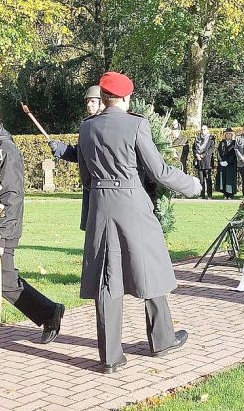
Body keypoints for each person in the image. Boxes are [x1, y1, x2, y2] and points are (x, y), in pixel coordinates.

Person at [76, 71, 202, 373]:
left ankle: (110, 357)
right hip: (132, 204)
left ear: (104, 97)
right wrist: (192, 185)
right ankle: (162, 339)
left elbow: (84, 176)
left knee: (106, 278)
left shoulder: (86, 128)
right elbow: (158, 171)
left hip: (100, 207)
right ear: (126, 97)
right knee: (150, 267)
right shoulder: (136, 124)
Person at [0, 98, 65, 344]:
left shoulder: (5, 149)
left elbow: (11, 195)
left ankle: (50, 312)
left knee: (6, 282)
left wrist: (0, 236)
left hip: (0, 230)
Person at [49, 84, 104, 229]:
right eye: (87, 101)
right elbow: (80, 154)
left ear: (102, 102)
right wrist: (59, 148)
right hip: (91, 185)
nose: (89, 105)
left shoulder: (107, 125)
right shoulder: (87, 126)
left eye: (93, 101)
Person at [192, 125, 215, 199]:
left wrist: (203, 155)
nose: (203, 131)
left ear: (207, 130)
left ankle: (209, 195)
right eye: (202, 129)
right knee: (201, 179)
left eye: (204, 129)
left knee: (208, 179)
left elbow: (211, 149)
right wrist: (196, 154)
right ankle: (202, 195)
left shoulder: (211, 139)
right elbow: (194, 148)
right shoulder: (197, 139)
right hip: (199, 161)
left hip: (207, 161)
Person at [216, 128, 238, 198]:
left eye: (230, 134)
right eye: (227, 134)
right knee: (223, 178)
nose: (228, 135)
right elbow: (218, 153)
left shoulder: (235, 143)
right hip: (223, 164)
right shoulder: (222, 143)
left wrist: (228, 162)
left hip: (231, 164)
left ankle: (230, 194)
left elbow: (234, 153)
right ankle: (225, 194)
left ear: (232, 135)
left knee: (230, 179)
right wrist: (221, 161)